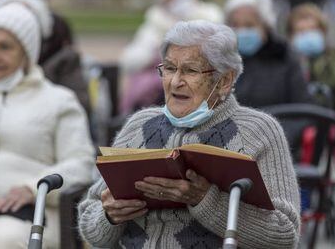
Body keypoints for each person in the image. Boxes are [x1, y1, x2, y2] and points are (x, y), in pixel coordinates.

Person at [78, 20, 300, 248]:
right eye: (170, 68)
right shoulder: (140, 125)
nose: (175, 82)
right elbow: (91, 227)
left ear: (224, 80)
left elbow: (284, 235)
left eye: (190, 70)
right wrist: (109, 216)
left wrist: (204, 200)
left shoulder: (258, 131)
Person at [0, 3, 95, 248]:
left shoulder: (59, 100)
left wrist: (33, 188)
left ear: (26, 51)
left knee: (2, 241)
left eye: (5, 47)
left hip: (31, 208)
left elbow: (81, 163)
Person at [119, 0, 223, 114]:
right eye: (170, 0)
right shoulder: (154, 26)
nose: (177, 3)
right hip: (157, 95)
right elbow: (130, 60)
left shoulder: (211, 18)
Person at [224, 0, 311, 108]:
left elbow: (301, 104)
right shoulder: (222, 60)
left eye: (249, 25)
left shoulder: (285, 56)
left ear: (265, 26)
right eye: (235, 25)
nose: (242, 31)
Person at [287, 3, 335, 127]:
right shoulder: (285, 64)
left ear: (323, 32)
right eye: (301, 31)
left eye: (312, 30)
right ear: (291, 36)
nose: (307, 36)